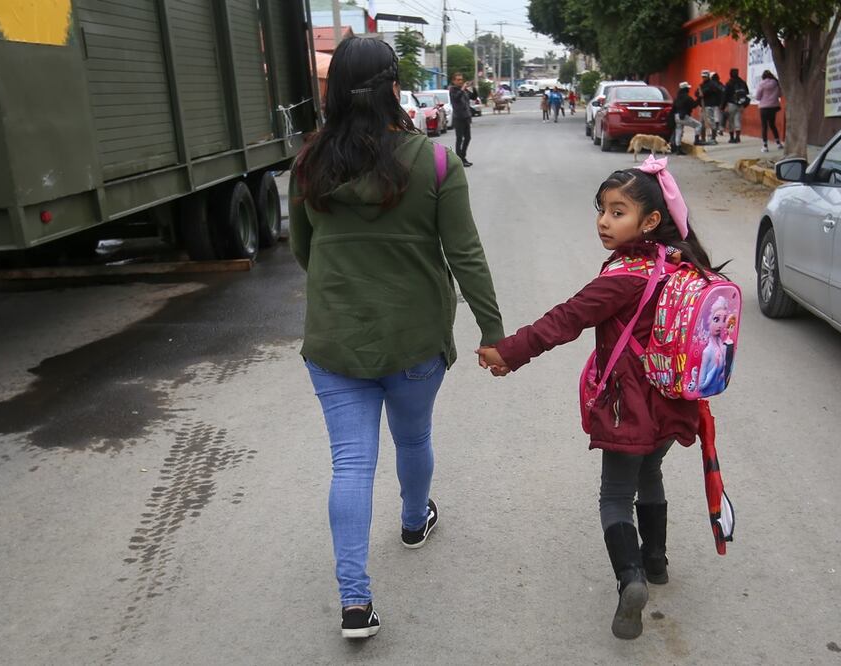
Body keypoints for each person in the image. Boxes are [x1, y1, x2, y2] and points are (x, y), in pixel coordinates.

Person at [288, 37, 505, 638]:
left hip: (335, 341)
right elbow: (466, 256)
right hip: (414, 341)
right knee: (413, 439)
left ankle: (355, 602)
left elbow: (303, 251)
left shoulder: (309, 163)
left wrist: (347, 289)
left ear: (333, 93)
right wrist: (493, 331)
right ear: (393, 87)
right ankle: (414, 521)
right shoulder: (434, 162)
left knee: (351, 464)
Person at [476, 158, 715, 640]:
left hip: (629, 405)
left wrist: (507, 351)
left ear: (649, 221)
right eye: (602, 209)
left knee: (613, 497)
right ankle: (657, 561)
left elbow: (566, 318)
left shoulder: (625, 274)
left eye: (618, 211)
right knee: (652, 472)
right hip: (674, 399)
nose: (604, 221)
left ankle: (632, 581)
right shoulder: (680, 262)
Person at [754, 70, 784, 153]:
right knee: (772, 125)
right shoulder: (776, 83)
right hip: (773, 107)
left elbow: (758, 97)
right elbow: (780, 94)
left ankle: (765, 146)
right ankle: (778, 143)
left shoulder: (762, 84)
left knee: (764, 126)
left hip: (764, 107)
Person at [449, 72, 473, 167]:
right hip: (458, 118)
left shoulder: (464, 90)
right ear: (454, 81)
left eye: (461, 80)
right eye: (458, 80)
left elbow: (473, 97)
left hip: (466, 117)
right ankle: (459, 160)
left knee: (468, 138)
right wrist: (462, 89)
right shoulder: (453, 90)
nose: (460, 81)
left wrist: (472, 88)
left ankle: (463, 157)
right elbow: (456, 98)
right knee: (459, 139)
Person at [672, 82, 701, 154]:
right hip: (684, 116)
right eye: (688, 88)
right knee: (698, 125)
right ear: (686, 89)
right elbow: (694, 105)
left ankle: (678, 148)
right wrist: (699, 98)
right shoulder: (687, 97)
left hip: (676, 116)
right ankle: (696, 140)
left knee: (679, 131)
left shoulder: (677, 98)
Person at [722, 68, 749, 144]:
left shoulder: (729, 83)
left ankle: (731, 138)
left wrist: (723, 106)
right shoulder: (743, 82)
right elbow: (747, 92)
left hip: (731, 104)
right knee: (738, 120)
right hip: (740, 104)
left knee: (731, 121)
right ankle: (738, 137)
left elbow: (725, 95)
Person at [696, 70, 722, 146]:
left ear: (708, 76)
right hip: (702, 105)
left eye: (705, 77)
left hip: (709, 105)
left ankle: (713, 138)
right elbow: (697, 93)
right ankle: (703, 138)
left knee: (711, 122)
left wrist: (703, 92)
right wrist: (699, 94)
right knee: (701, 122)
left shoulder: (712, 84)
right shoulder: (701, 85)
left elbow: (710, 91)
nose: (703, 78)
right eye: (702, 77)